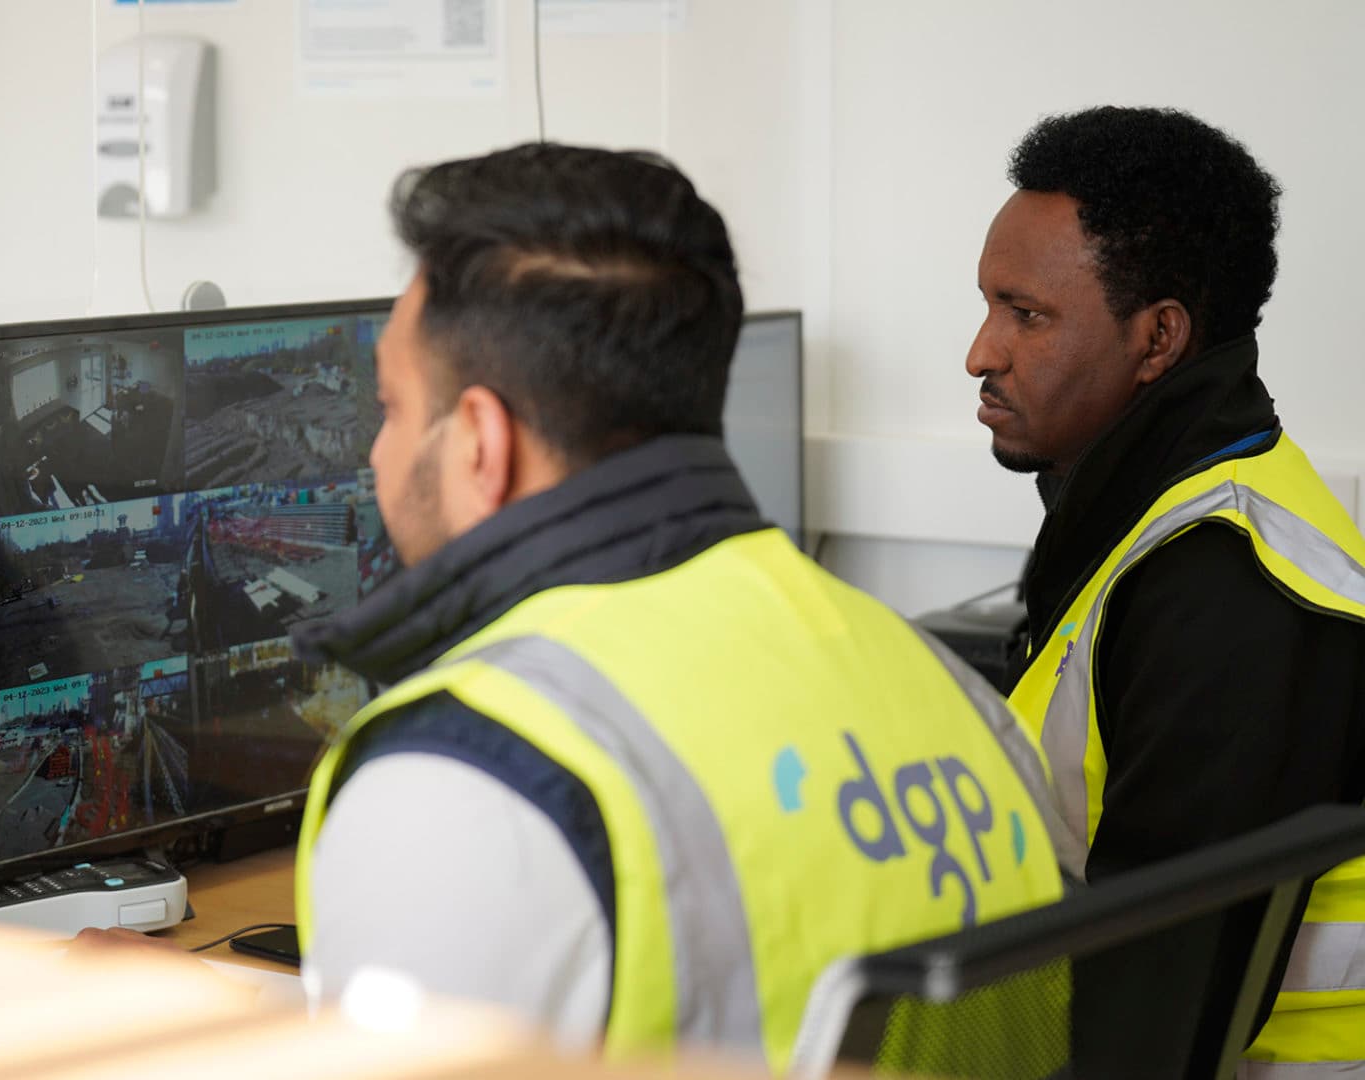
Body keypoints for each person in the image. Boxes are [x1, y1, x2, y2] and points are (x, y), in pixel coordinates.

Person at [289, 143, 1070, 1068]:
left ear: (480, 445)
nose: (376, 457)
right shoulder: (953, 693)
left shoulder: (466, 781)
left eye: (389, 409)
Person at [967, 106, 1365, 1073]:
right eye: (988, 307)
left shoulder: (1228, 590)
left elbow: (1156, 1011)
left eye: (1028, 315)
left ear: (1158, 341)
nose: (981, 353)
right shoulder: (1154, 516)